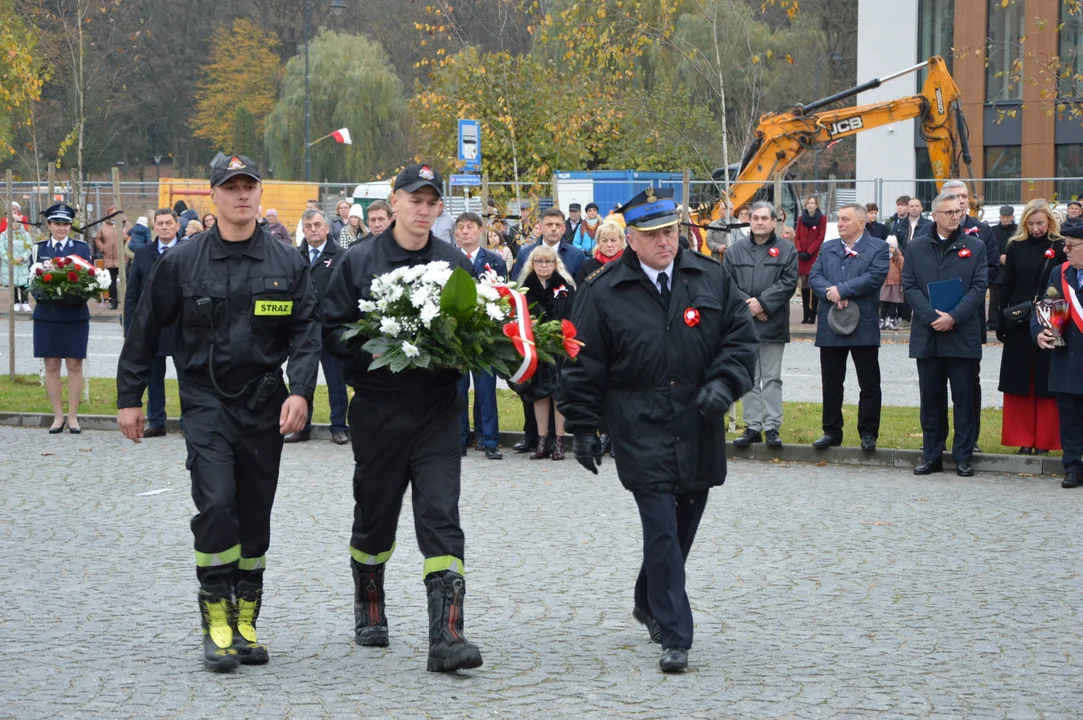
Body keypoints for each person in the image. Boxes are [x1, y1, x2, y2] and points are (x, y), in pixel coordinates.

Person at [116, 155, 322, 671]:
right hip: (206, 403)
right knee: (217, 504)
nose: (241, 195)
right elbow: (144, 328)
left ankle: (246, 617)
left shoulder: (285, 262)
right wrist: (129, 398)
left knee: (254, 515)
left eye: (248, 186)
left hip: (263, 404)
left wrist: (299, 390)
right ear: (213, 196)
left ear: (258, 192)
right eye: (230, 188)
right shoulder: (182, 262)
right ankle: (215, 618)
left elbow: (307, 329)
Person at [560, 186, 757, 673]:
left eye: (670, 231)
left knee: (682, 526)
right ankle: (675, 633)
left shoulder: (710, 278)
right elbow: (582, 364)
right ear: (631, 238)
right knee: (662, 530)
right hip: (638, 425)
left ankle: (648, 599)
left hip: (698, 421)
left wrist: (724, 384)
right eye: (652, 235)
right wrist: (583, 427)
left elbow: (740, 340)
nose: (665, 242)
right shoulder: (603, 290)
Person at [321, 164, 483, 672]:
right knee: (376, 516)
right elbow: (331, 330)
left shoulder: (456, 263)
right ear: (394, 203)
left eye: (433, 202)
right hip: (378, 409)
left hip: (437, 411)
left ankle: (447, 635)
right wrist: (381, 346)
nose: (424, 210)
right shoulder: (358, 260)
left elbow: (478, 328)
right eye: (415, 200)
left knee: (440, 514)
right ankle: (370, 601)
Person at [901, 191, 988, 477]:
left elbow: (978, 288)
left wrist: (953, 317)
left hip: (962, 334)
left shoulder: (975, 246)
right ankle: (932, 455)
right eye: (948, 212)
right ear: (934, 215)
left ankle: (963, 455)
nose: (955, 216)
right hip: (928, 335)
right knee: (931, 399)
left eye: (958, 212)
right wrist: (931, 317)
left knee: (963, 398)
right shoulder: (915, 247)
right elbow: (910, 286)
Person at [808, 204, 890, 451]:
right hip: (831, 325)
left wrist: (843, 290)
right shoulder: (827, 247)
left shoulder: (879, 248)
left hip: (863, 325)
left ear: (861, 223)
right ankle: (831, 432)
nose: (839, 223)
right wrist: (832, 294)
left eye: (845, 219)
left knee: (869, 383)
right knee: (831, 382)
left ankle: (868, 433)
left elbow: (875, 277)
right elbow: (815, 277)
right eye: (838, 219)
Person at [510, 207, 586, 452]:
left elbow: (575, 297)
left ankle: (559, 439)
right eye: (548, 224)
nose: (553, 228)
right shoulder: (524, 256)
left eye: (558, 225)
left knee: (559, 391)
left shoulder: (575, 256)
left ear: (564, 228)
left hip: (560, 338)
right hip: (532, 343)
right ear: (540, 226)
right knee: (535, 391)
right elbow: (516, 292)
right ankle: (535, 436)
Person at [724, 201, 798, 449]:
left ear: (774, 221)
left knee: (772, 378)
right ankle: (752, 426)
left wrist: (763, 304)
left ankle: (772, 427)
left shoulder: (787, 250)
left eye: (764, 218)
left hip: (773, 324)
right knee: (748, 378)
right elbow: (727, 284)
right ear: (750, 221)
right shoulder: (734, 251)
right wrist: (750, 306)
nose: (759, 222)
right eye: (755, 218)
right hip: (743, 325)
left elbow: (788, 282)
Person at [997, 199, 1066, 455]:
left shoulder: (1059, 245)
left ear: (1049, 221)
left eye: (1041, 223)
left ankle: (1046, 440)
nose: (1036, 228)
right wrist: (1001, 319)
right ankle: (1024, 438)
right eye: (1031, 223)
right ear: (1024, 223)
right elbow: (1008, 284)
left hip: (1051, 319)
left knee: (1046, 379)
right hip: (1019, 319)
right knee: (1019, 378)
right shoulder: (1015, 245)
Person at [941, 179, 999, 453]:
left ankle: (969, 438)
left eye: (964, 196)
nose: (961, 201)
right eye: (955, 196)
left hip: (968, 317)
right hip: (938, 317)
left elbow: (991, 272)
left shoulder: (983, 231)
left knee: (968, 383)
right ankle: (937, 439)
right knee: (936, 383)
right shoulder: (933, 231)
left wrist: (964, 296)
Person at [287, 209, 349, 446]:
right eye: (308, 226)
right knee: (302, 379)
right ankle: (302, 427)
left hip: (331, 329)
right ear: (303, 230)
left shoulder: (342, 256)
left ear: (326, 228)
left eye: (317, 225)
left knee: (336, 382)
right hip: (304, 331)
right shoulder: (294, 255)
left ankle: (338, 427)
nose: (313, 230)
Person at [31, 204, 92, 434]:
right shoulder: (38, 250)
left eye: (65, 224)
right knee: (51, 364)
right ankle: (58, 416)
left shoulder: (82, 249)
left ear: (70, 226)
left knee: (75, 365)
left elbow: (89, 280)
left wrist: (72, 293)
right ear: (49, 225)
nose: (61, 228)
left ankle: (73, 417)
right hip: (47, 314)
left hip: (75, 313)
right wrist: (46, 291)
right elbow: (32, 282)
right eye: (57, 223)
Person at [124, 208, 184, 438]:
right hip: (153, 326)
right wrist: (130, 329)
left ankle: (189, 421)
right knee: (153, 377)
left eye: (169, 223)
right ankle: (157, 420)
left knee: (187, 377)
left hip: (183, 326)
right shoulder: (142, 254)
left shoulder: (190, 250)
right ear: (154, 227)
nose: (165, 227)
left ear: (177, 225)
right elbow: (132, 295)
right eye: (160, 223)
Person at [455, 212, 508, 460]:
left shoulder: (495, 261)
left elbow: (504, 297)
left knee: (486, 389)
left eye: (470, 227)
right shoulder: (447, 259)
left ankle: (490, 440)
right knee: (457, 390)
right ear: (456, 233)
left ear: (480, 231)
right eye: (461, 228)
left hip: (484, 336)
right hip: (455, 336)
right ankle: (459, 438)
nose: (466, 231)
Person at [515, 244, 576, 461]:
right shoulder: (523, 289)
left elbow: (571, 315)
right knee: (539, 395)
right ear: (532, 264)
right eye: (539, 261)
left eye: (548, 261)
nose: (543, 265)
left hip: (559, 348)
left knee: (559, 395)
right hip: (536, 349)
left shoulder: (566, 286)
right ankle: (542, 440)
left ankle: (559, 441)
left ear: (555, 263)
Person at [1033, 234, 1083, 488]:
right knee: (1070, 419)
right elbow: (1048, 306)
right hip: (1067, 359)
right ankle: (1073, 467)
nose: (1066, 251)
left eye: (1072, 246)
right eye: (1065, 245)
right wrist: (1039, 332)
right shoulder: (1060, 273)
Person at [794, 195, 827, 325]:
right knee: (804, 284)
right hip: (802, 255)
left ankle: (813, 314)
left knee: (813, 284)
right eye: (808, 203)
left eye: (813, 203)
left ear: (817, 205)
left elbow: (820, 237)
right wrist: (800, 250)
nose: (810, 205)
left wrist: (809, 251)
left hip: (813, 255)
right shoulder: (801, 219)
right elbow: (797, 236)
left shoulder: (822, 219)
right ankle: (805, 313)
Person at [92, 207, 128, 309]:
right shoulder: (104, 226)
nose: (113, 215)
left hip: (122, 258)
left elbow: (130, 238)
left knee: (124, 281)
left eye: (115, 213)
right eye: (111, 213)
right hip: (109, 258)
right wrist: (102, 248)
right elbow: (98, 239)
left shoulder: (125, 224)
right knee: (111, 282)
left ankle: (126, 302)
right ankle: (114, 302)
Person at [989, 205, 1017, 333]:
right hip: (997, 268)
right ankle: (992, 322)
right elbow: (989, 248)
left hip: (1013, 268)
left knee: (1011, 297)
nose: (1005, 219)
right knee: (995, 298)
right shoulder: (993, 230)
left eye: (1008, 217)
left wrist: (1010, 258)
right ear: (1000, 217)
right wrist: (999, 257)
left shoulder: (1018, 230)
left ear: (1013, 217)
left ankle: (1010, 319)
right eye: (1003, 217)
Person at [574, 220, 624, 285]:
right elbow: (581, 292)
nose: (609, 245)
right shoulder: (587, 266)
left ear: (621, 242)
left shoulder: (628, 265)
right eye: (604, 240)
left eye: (613, 240)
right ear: (598, 242)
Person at [2, 212, 34, 312]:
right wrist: (10, 258)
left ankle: (25, 302)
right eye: (12, 222)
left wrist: (22, 258)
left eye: (17, 222)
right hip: (10, 263)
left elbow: (29, 248)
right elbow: (1, 249)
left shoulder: (25, 235)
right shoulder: (3, 235)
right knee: (14, 284)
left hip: (22, 263)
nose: (15, 224)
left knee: (24, 284)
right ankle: (15, 302)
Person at [879, 237, 905, 330]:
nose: (889, 249)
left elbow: (903, 271)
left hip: (895, 283)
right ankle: (882, 320)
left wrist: (902, 284)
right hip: (885, 283)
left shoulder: (899, 258)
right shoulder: (882, 256)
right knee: (883, 302)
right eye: (888, 246)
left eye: (892, 247)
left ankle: (892, 320)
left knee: (894, 303)